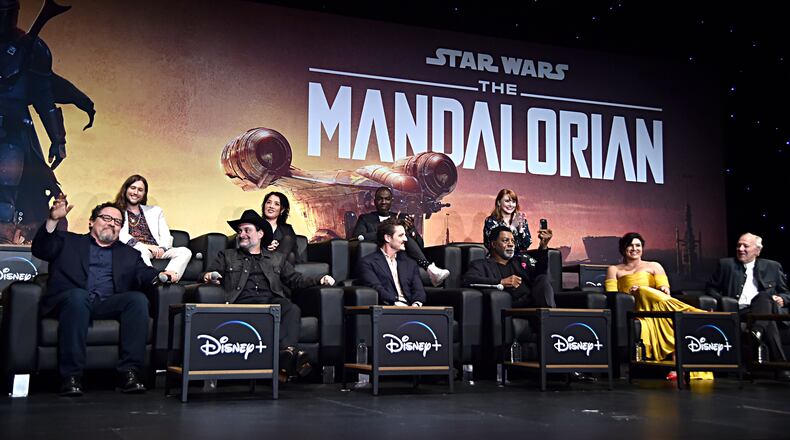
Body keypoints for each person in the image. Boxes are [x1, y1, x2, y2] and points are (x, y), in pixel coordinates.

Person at [31, 194, 177, 396]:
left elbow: (144, 273)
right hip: (72, 302)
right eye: (106, 218)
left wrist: (160, 275)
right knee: (78, 297)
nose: (112, 224)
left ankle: (130, 373)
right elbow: (41, 249)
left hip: (107, 303)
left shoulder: (130, 254)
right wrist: (53, 220)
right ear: (91, 222)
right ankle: (71, 377)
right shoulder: (68, 241)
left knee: (137, 300)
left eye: (117, 221)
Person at [1, 0, 95, 244]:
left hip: (15, 129)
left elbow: (44, 97)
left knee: (9, 180)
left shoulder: (33, 49)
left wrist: (58, 139)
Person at [201, 209, 335, 381]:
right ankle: (290, 358)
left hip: (272, 302)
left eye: (247, 230)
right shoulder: (227, 256)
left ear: (260, 233)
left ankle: (286, 355)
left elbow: (295, 280)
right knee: (276, 311)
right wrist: (209, 276)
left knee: (292, 309)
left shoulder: (275, 258)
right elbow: (208, 273)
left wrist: (320, 279)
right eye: (239, 231)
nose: (242, 234)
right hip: (243, 302)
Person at [605, 232, 712, 380]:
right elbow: (612, 296)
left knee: (646, 292)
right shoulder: (614, 269)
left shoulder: (654, 266)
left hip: (656, 306)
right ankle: (694, 313)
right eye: (630, 245)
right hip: (634, 308)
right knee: (642, 290)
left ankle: (676, 364)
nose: (634, 248)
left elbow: (665, 290)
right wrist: (633, 293)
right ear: (623, 249)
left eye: (638, 245)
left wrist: (659, 290)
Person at [705, 233, 790, 380]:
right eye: (739, 245)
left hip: (764, 309)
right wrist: (723, 300)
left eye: (746, 246)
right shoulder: (726, 265)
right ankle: (780, 367)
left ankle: (756, 330)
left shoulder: (773, 267)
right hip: (740, 310)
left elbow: (786, 292)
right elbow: (711, 288)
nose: (741, 249)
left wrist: (782, 299)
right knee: (768, 321)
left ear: (757, 251)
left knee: (763, 298)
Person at [352, 186, 449, 286]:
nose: (383, 202)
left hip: (402, 258)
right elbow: (358, 238)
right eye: (380, 199)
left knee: (402, 232)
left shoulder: (401, 218)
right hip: (380, 257)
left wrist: (412, 230)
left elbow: (420, 245)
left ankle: (430, 269)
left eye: (387, 199)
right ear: (375, 201)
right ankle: (429, 268)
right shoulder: (365, 219)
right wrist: (387, 230)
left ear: (391, 201)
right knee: (398, 230)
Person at [114, 175, 192, 282]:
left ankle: (167, 277)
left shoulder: (155, 211)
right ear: (126, 189)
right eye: (133, 188)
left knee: (185, 251)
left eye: (140, 190)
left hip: (158, 249)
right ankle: (152, 279)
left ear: (144, 194)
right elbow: (120, 235)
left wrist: (163, 248)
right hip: (137, 248)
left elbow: (165, 234)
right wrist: (146, 246)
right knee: (139, 252)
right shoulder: (116, 211)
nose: (136, 192)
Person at [464, 225, 555, 308]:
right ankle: (549, 319)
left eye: (513, 241)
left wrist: (543, 247)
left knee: (542, 279)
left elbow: (540, 273)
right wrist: (501, 282)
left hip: (533, 304)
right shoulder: (481, 264)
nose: (511, 244)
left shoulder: (520, 261)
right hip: (510, 306)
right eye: (505, 240)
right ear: (494, 244)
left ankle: (550, 316)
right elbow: (469, 280)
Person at [357, 218, 426, 307]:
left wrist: (416, 305)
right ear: (388, 238)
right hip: (388, 309)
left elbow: (419, 290)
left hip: (413, 309)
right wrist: (396, 303)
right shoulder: (368, 263)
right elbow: (377, 289)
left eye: (405, 235)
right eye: (401, 235)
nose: (405, 239)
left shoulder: (410, 263)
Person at [483, 189, 553, 257]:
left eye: (513, 202)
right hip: (498, 259)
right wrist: (512, 227)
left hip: (517, 259)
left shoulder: (521, 220)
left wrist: (520, 231)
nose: (511, 205)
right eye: (507, 201)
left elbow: (526, 244)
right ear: (499, 202)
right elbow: (492, 244)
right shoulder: (491, 221)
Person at [261, 191, 298, 262]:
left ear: (282, 210)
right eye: (268, 202)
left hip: (282, 262)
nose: (271, 206)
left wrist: (279, 247)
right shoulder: (255, 225)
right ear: (264, 205)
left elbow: (294, 249)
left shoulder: (287, 229)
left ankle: (274, 270)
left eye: (276, 204)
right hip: (262, 259)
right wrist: (265, 247)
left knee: (291, 254)